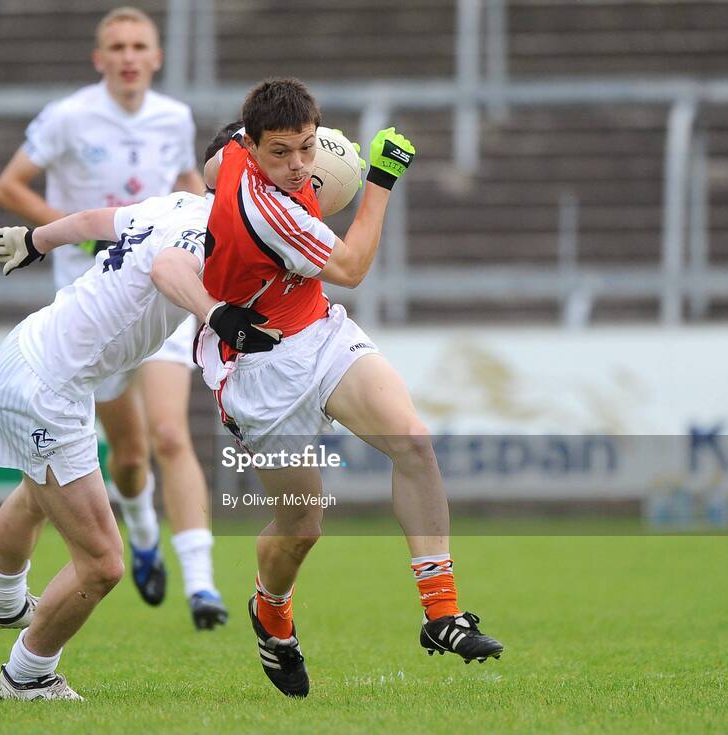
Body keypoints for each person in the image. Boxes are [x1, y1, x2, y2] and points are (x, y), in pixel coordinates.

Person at [195, 79, 504, 698]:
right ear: (253, 148)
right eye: (280, 153)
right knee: (302, 527)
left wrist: (316, 166)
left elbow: (209, 164)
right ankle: (271, 612)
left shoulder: (234, 148)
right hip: (259, 368)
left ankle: (441, 613)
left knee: (413, 441)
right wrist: (380, 181)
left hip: (320, 331)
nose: (297, 165)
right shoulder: (267, 210)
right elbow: (355, 268)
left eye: (307, 147)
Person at [0, 191, 279, 700]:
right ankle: (27, 675)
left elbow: (94, 220)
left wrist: (33, 240)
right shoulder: (205, 229)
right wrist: (215, 314)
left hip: (32, 350)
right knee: (103, 563)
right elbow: (168, 270)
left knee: (36, 495)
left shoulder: (177, 203)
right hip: (50, 387)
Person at [0, 6, 225, 628]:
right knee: (128, 455)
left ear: (156, 57)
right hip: (98, 305)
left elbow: (188, 187)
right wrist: (54, 236)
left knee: (171, 435)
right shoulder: (70, 116)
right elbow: (10, 184)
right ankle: (143, 531)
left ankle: (202, 588)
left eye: (138, 45)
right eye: (116, 46)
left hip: (169, 293)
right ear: (100, 59)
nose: (127, 56)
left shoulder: (173, 117)